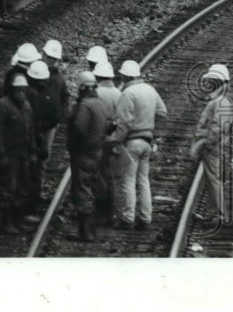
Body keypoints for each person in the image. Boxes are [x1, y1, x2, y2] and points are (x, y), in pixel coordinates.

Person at [107, 60, 167, 231]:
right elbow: (163, 112)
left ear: (125, 76)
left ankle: (128, 218)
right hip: (147, 142)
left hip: (132, 142)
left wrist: (116, 140)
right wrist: (149, 124)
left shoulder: (128, 93)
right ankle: (146, 219)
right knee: (143, 181)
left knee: (128, 180)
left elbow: (124, 123)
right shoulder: (150, 89)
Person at [66, 71, 111, 242]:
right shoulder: (100, 103)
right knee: (94, 185)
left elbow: (79, 130)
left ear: (82, 88)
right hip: (97, 152)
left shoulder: (85, 105)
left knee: (83, 189)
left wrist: (74, 148)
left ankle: (86, 232)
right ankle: (93, 225)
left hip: (84, 154)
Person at [190, 63, 233, 225]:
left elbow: (218, 126)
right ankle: (215, 213)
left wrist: (207, 144)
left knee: (214, 180)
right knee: (212, 180)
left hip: (214, 147)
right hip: (215, 145)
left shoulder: (221, 102)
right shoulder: (220, 100)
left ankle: (219, 215)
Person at [0, 73, 34, 235]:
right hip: (9, 154)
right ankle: (5, 221)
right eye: (18, 90)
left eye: (23, 90)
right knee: (8, 187)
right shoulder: (3, 105)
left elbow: (30, 130)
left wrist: (33, 150)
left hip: (22, 153)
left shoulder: (26, 106)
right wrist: (1, 154)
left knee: (22, 187)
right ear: (12, 90)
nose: (21, 93)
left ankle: (17, 218)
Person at [24, 59, 59, 219]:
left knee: (29, 174)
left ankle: (27, 208)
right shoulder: (33, 96)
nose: (45, 84)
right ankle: (28, 210)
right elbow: (34, 124)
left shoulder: (25, 92)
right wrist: (40, 144)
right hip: (31, 142)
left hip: (26, 140)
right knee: (32, 173)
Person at [92, 60, 121, 224]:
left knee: (98, 176)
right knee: (109, 176)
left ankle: (101, 212)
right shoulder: (118, 93)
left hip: (99, 138)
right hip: (114, 139)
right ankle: (110, 212)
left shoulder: (96, 93)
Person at [42, 39, 72, 156]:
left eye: (53, 58)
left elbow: (65, 97)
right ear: (43, 54)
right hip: (33, 124)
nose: (50, 60)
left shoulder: (58, 78)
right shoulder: (33, 72)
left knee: (45, 155)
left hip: (50, 124)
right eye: (49, 57)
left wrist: (59, 116)